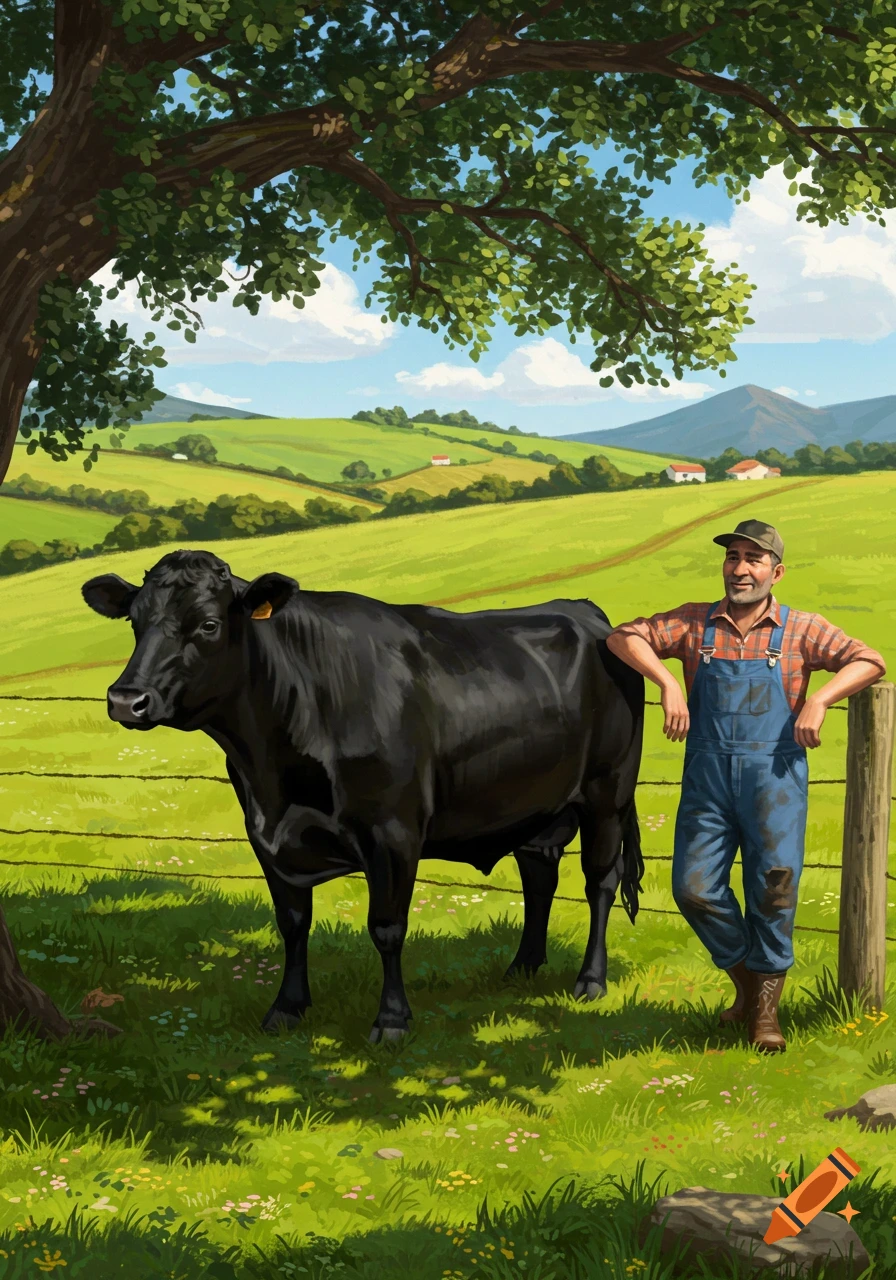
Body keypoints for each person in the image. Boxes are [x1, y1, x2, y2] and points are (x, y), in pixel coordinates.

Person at [606, 519, 885, 1053]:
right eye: (733, 557)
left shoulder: (801, 629)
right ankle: (751, 986)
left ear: (776, 573)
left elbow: (869, 660)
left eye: (754, 560)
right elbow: (622, 636)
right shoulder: (694, 623)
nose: (740, 569)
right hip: (707, 782)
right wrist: (667, 682)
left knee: (774, 890)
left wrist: (821, 699)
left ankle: (764, 1017)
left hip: (775, 780)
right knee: (693, 889)